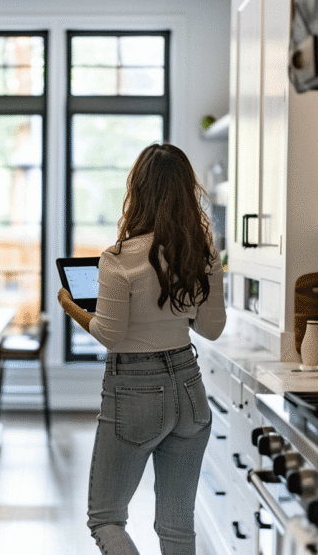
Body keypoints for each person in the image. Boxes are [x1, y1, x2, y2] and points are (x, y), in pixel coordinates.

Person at [58, 142, 226, 555]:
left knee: (106, 518)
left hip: (134, 390)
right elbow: (212, 328)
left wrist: (70, 306)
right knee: (177, 526)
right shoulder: (203, 256)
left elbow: (109, 334)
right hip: (189, 387)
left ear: (138, 191)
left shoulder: (118, 259)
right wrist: (176, 307)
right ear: (187, 191)